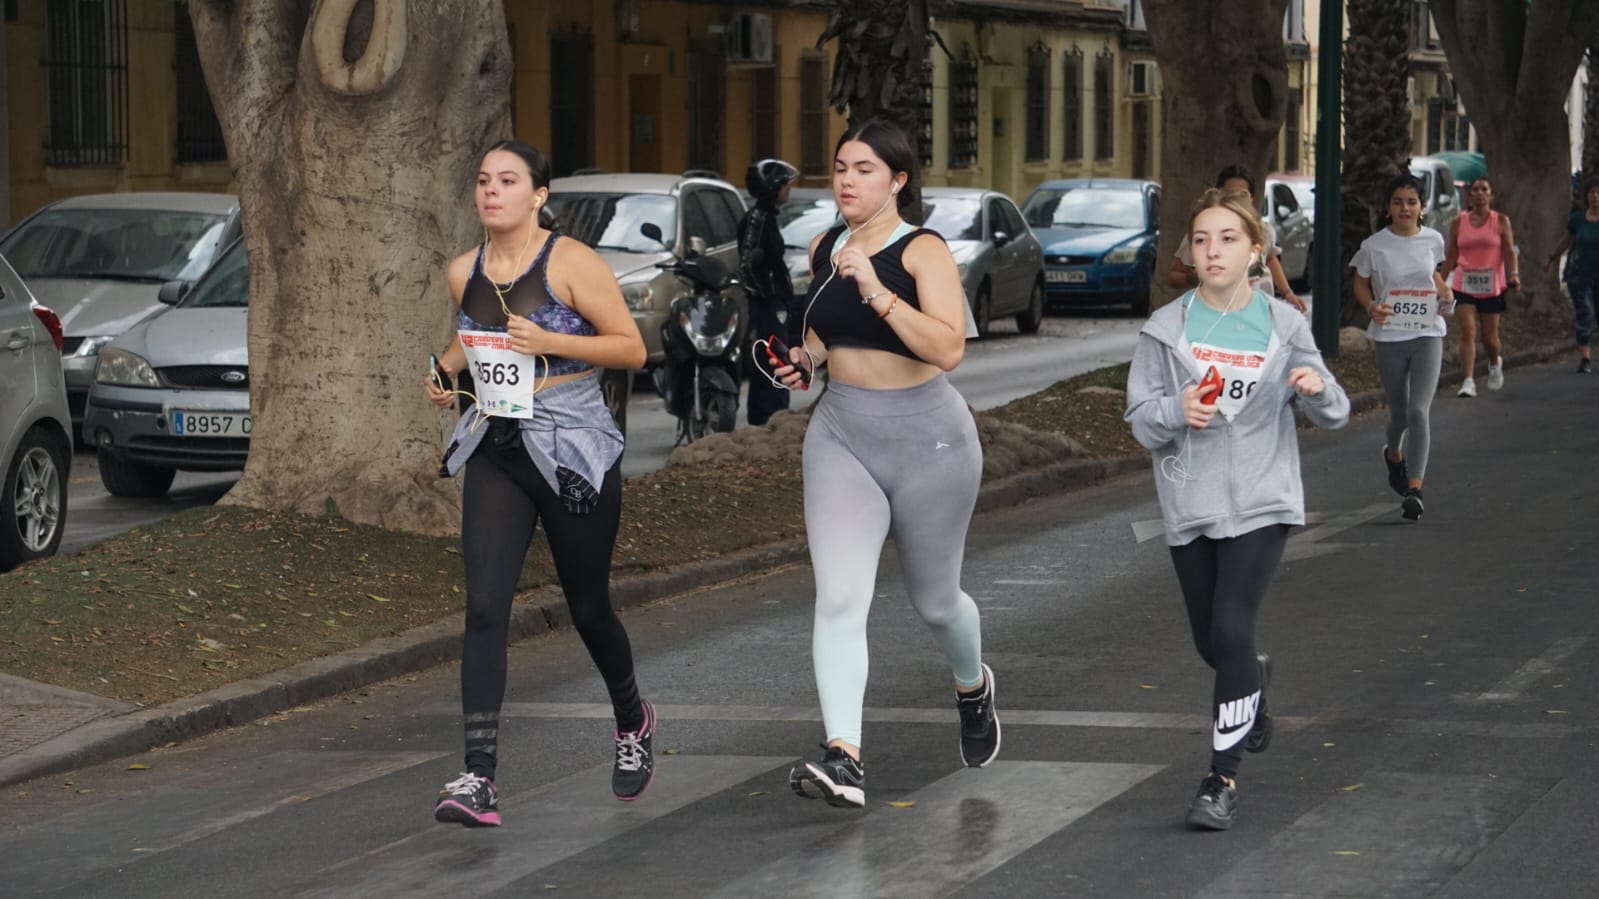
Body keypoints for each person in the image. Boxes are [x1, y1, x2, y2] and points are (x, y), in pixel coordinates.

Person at [424, 140, 653, 827]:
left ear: (539, 194)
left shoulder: (570, 263)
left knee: (587, 607)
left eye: (508, 181)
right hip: (497, 445)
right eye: (483, 180)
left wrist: (549, 342)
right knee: (485, 605)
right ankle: (478, 776)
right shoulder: (461, 268)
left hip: (571, 446)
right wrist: (442, 375)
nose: (491, 191)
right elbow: (470, 338)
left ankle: (631, 717)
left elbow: (631, 348)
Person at [770, 120, 998, 808]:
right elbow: (817, 335)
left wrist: (876, 288)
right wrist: (801, 362)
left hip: (930, 440)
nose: (845, 180)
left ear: (897, 180)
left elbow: (948, 347)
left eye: (864, 168)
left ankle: (972, 684)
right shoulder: (822, 246)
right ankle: (844, 755)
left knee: (935, 601)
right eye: (840, 166)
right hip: (841, 434)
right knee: (839, 599)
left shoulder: (922, 250)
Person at [1126, 188, 1349, 831]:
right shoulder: (1164, 330)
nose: (1212, 250)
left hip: (1263, 499)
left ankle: (1219, 778)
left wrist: (1315, 386)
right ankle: (1251, 678)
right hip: (1190, 502)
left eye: (1227, 238)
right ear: (1190, 254)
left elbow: (1333, 411)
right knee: (1214, 642)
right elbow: (1142, 422)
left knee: (1229, 628)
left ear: (1256, 251)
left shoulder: (1284, 325)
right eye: (1201, 240)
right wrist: (1177, 411)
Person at [1353, 173, 1455, 522]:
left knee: (1419, 411)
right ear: (1388, 207)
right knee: (1399, 415)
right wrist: (1371, 308)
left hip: (1428, 333)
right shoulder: (1374, 245)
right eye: (1398, 202)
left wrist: (1445, 292)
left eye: (1411, 202)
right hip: (1390, 336)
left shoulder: (1433, 240)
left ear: (1421, 206)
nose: (1405, 208)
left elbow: (1435, 276)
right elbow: (1361, 284)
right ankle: (1393, 454)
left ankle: (1414, 489)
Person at [1167, 165, 1306, 313]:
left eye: (1243, 195)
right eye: (1230, 194)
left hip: (1258, 314)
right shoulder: (1203, 234)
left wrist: (1287, 293)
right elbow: (1174, 275)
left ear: (1252, 198)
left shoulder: (1264, 230)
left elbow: (1270, 259)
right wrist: (1193, 277)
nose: (1237, 200)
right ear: (1219, 195)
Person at [1442, 177, 1519, 396]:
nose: (1479, 193)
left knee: (1489, 339)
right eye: (1475, 189)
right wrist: (1439, 281)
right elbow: (1452, 254)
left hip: (1491, 285)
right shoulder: (1459, 221)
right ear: (1470, 195)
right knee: (1467, 330)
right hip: (1464, 283)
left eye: (1484, 189)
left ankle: (1495, 362)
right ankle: (1468, 381)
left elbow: (1509, 251)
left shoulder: (1501, 221)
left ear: (1491, 194)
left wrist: (1514, 274)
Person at [739, 158, 800, 425]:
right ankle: (768, 416)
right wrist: (767, 298)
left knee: (777, 354)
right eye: (784, 185)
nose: (789, 189)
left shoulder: (768, 218)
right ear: (771, 187)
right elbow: (748, 264)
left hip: (776, 301)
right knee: (773, 356)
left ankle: (775, 413)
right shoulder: (757, 219)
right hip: (767, 304)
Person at [1544, 176, 1599, 374]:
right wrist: (1552, 258)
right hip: (1580, 275)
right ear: (1587, 196)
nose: (1595, 196)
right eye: (1592, 192)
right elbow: (1566, 241)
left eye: (1598, 192)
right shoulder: (1578, 219)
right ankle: (1585, 358)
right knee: (1585, 314)